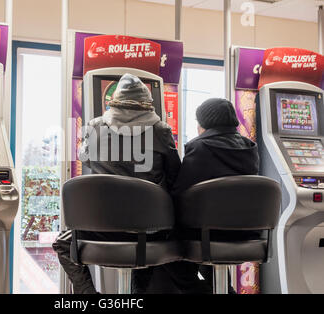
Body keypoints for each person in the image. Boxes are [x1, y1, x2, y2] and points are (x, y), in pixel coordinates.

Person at [52, 73, 181, 294]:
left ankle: (88, 295)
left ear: (114, 101)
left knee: (63, 244)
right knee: (146, 248)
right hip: (148, 229)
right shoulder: (161, 130)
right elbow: (174, 175)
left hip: (102, 228)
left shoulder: (95, 126)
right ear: (147, 103)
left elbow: (85, 158)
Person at [144, 97, 260, 294]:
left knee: (168, 250)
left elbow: (180, 195)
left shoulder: (200, 147)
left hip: (207, 234)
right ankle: (226, 290)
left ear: (204, 124)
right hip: (246, 233)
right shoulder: (250, 148)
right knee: (210, 253)